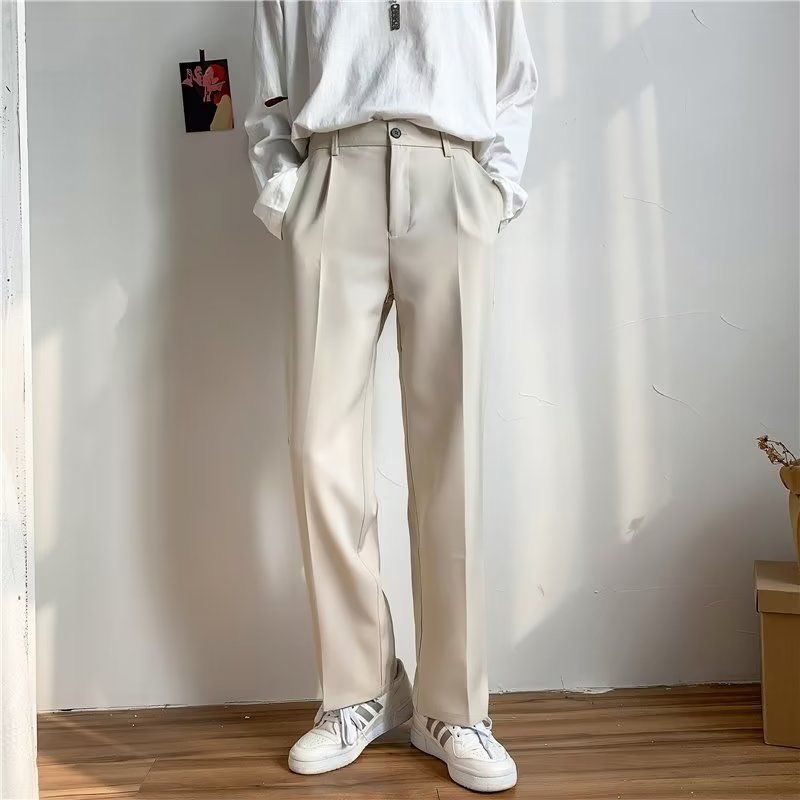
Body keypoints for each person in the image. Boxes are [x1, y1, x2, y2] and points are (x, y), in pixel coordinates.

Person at [245, 1, 537, 792]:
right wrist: (287, 193)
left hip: (451, 174)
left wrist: (496, 190)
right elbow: (270, 83)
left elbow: (514, 77)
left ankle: (453, 708)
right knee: (318, 448)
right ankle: (361, 689)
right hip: (333, 172)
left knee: (452, 454)